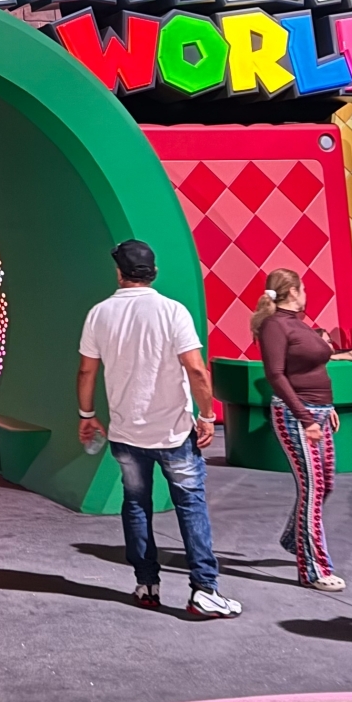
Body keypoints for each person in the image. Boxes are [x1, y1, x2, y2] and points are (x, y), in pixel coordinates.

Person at [78, 239, 241, 619]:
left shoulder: (99, 314)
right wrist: (207, 415)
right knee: (190, 506)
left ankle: (146, 585)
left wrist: (87, 414)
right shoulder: (172, 311)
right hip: (174, 432)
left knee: (136, 505)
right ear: (153, 272)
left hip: (125, 434)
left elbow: (87, 370)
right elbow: (196, 369)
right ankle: (204, 590)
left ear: (119, 273)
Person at [252, 268, 352, 592]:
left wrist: (327, 408)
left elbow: (313, 366)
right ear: (293, 291)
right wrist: (306, 419)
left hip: (319, 411)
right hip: (297, 415)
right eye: (303, 288)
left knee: (325, 485)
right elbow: (276, 375)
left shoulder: (298, 322)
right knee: (312, 489)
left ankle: (295, 539)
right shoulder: (275, 325)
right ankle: (314, 570)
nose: (306, 293)